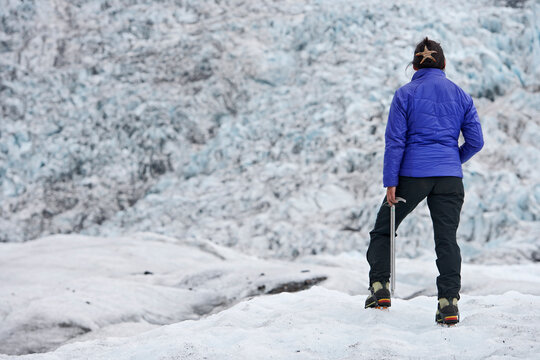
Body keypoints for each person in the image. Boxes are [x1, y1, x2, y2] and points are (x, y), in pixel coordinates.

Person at [364, 37, 484, 325]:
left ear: (415, 65)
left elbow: (395, 141)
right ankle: (448, 304)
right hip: (449, 178)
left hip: (412, 176)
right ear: (443, 63)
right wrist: (452, 159)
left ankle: (380, 288)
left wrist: (391, 181)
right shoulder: (461, 95)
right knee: (446, 240)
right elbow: (476, 141)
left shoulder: (405, 94)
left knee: (384, 229)